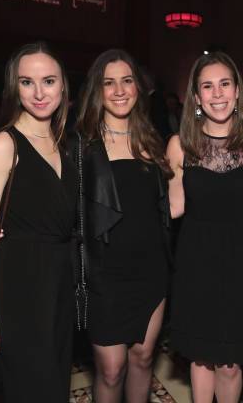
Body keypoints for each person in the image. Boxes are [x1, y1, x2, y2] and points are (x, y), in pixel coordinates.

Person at [0, 42, 77, 402]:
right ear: (14, 87)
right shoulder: (4, 144)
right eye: (26, 82)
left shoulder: (65, 143)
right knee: (31, 384)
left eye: (48, 81)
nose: (39, 92)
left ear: (63, 86)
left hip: (60, 282)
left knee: (55, 378)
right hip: (21, 283)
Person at [166, 51, 243, 403]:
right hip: (196, 265)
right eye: (207, 87)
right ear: (196, 98)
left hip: (241, 264)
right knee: (201, 357)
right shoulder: (180, 146)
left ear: (237, 90)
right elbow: (171, 208)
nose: (217, 94)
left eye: (225, 84)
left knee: (229, 364)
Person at [76, 49, 172, 403]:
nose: (119, 90)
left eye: (126, 81)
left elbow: (168, 207)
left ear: (138, 87)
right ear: (96, 91)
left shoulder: (151, 141)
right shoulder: (82, 145)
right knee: (111, 367)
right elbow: (59, 205)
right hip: (103, 274)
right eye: (108, 83)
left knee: (143, 358)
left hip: (151, 270)